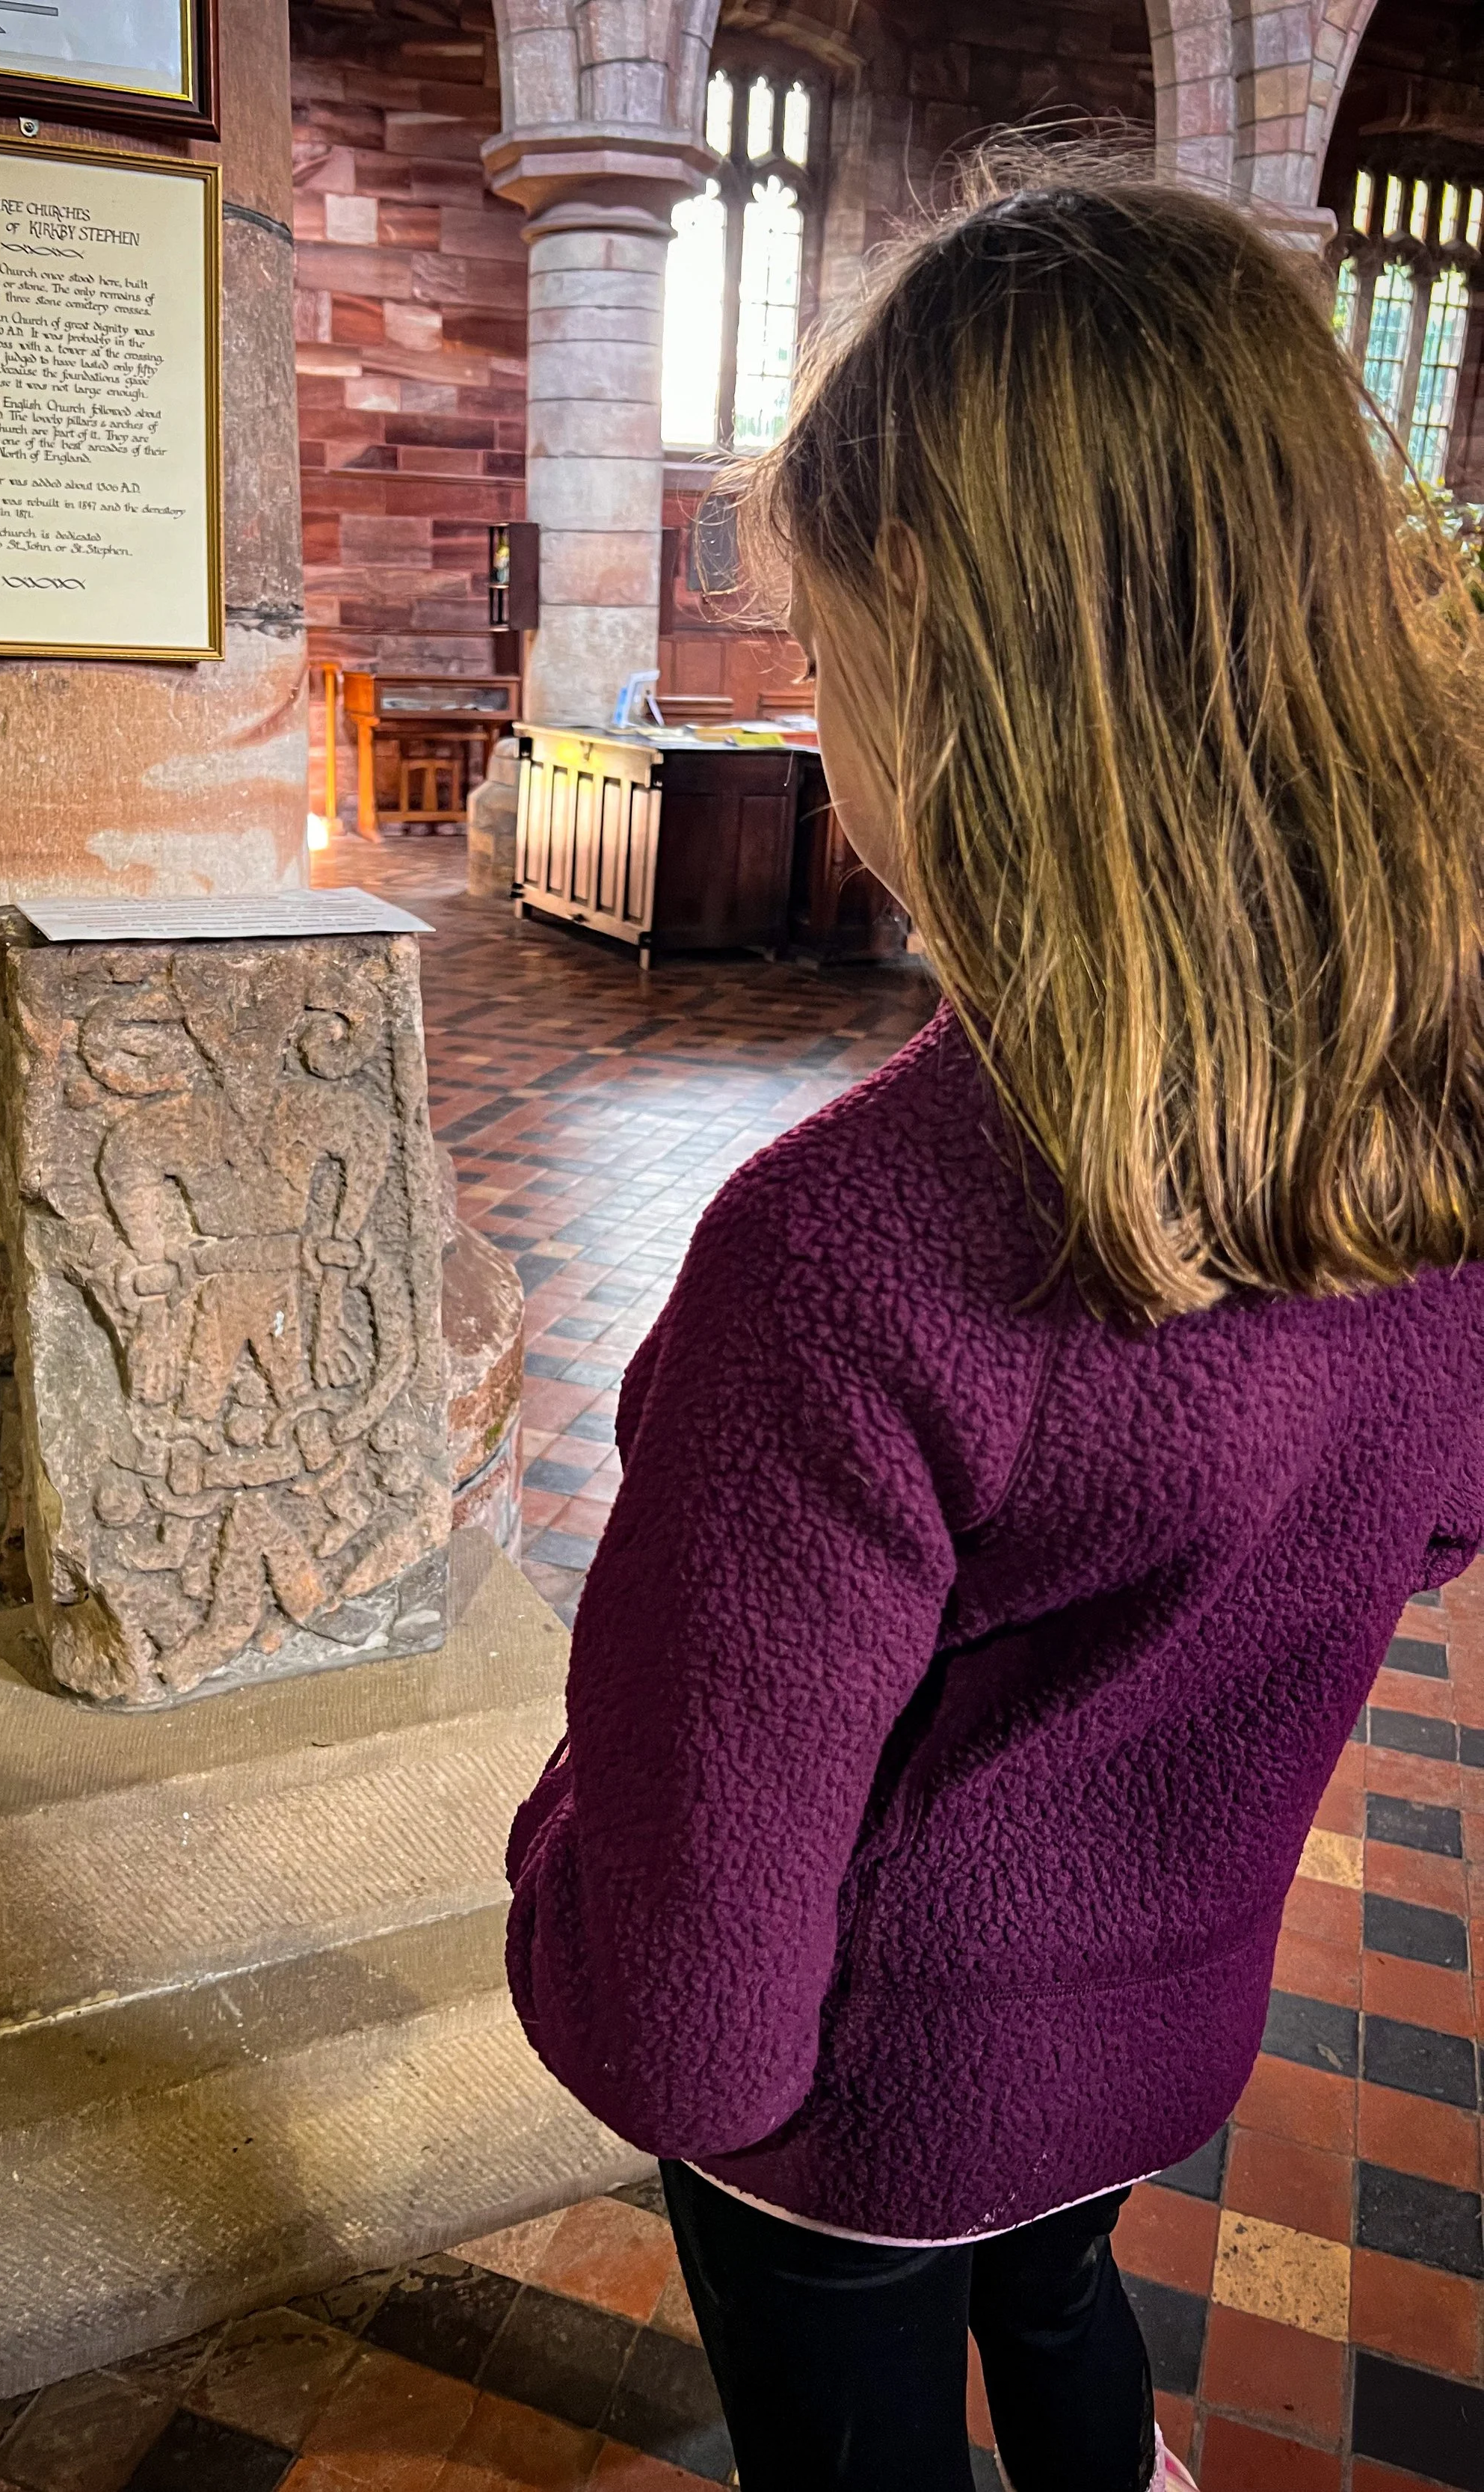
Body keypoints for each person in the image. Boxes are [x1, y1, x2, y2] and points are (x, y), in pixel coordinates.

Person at [503, 160, 1484, 2492]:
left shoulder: (838, 1264)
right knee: (1053, 2286)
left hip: (858, 2111)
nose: (818, 725)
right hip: (1157, 2025)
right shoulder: (1433, 1127)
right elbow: (1424, 1516)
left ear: (964, 670)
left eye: (824, 659)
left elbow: (693, 2021)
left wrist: (555, 1867)